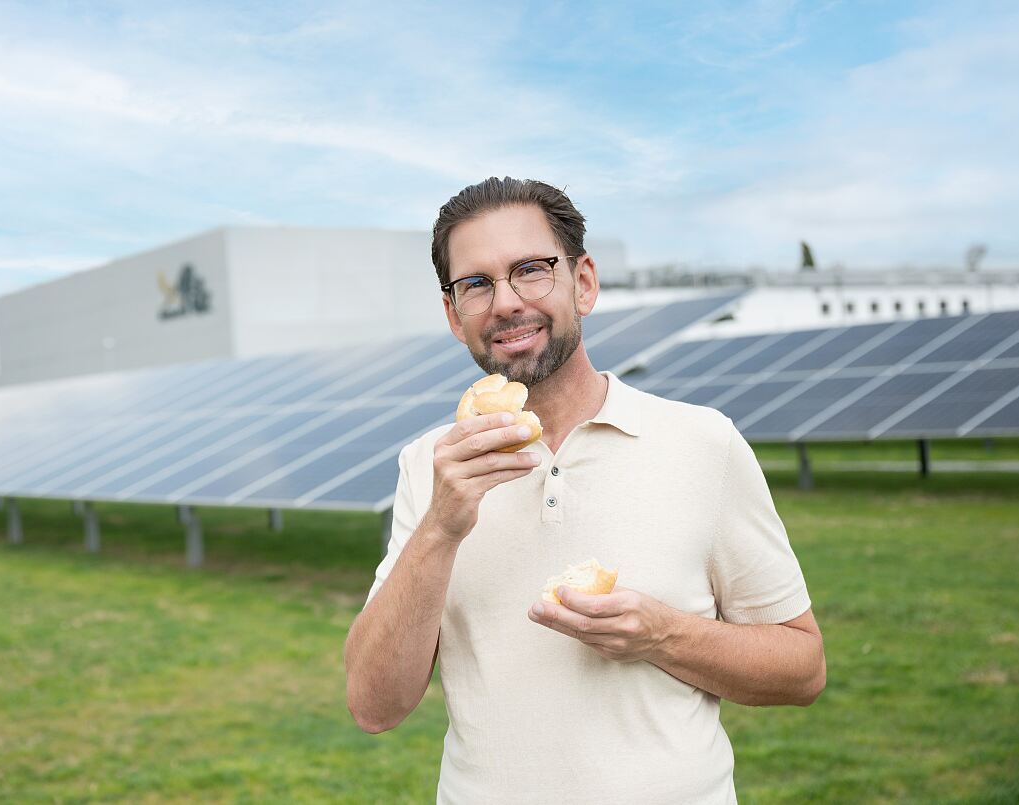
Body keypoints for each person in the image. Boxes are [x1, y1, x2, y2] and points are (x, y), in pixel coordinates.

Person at [344, 177, 825, 803]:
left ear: (584, 281)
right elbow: (373, 707)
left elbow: (802, 670)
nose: (507, 302)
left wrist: (662, 634)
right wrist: (440, 526)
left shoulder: (703, 442)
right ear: (453, 314)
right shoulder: (428, 467)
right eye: (477, 284)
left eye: (532, 270)